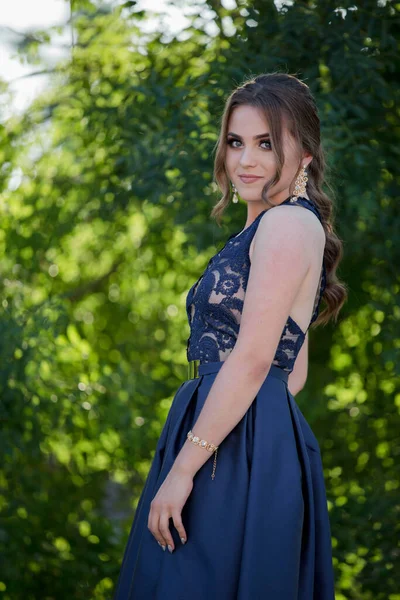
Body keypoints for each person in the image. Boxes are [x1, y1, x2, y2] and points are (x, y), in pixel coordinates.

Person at [113, 72, 347, 600]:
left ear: (305, 154)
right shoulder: (274, 226)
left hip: (224, 445)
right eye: (235, 142)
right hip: (237, 437)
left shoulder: (286, 225)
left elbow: (254, 361)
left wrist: (188, 467)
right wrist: (255, 440)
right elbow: (294, 371)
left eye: (266, 143)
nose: (245, 160)